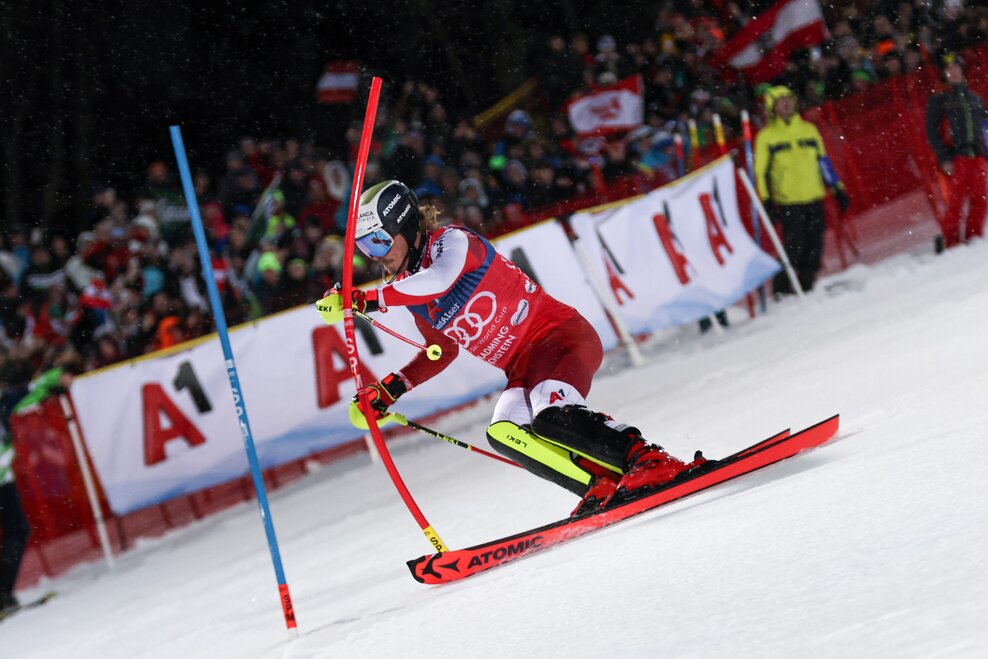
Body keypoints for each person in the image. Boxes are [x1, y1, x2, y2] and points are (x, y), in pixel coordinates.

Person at [316, 180, 706, 516]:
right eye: (366, 247)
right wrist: (389, 390)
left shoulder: (452, 242)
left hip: (560, 337)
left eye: (380, 239)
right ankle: (599, 486)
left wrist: (363, 300)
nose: (376, 254)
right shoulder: (412, 293)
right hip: (523, 367)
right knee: (505, 432)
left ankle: (648, 459)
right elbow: (441, 351)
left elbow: (439, 280)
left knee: (550, 414)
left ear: (405, 225)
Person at [755, 86, 851, 295]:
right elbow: (761, 173)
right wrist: (766, 201)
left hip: (814, 195)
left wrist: (837, 189)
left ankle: (807, 284)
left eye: (788, 98)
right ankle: (782, 288)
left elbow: (823, 162)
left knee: (815, 244)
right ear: (772, 107)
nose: (786, 103)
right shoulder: (766, 137)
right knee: (794, 246)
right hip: (789, 200)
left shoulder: (808, 129)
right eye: (780, 100)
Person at [925, 52, 988, 251]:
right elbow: (932, 130)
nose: (952, 72)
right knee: (955, 203)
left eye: (955, 67)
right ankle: (951, 243)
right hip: (956, 157)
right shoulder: (940, 99)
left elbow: (985, 127)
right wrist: (944, 156)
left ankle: (974, 238)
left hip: (977, 156)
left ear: (962, 69)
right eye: (948, 69)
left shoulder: (975, 99)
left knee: (980, 200)